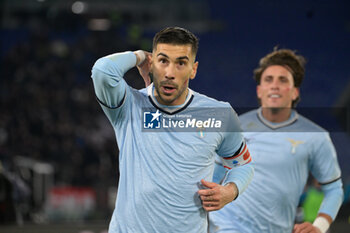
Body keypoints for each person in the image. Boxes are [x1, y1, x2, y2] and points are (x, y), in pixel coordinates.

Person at [91, 27, 254, 233]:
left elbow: (243, 165)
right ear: (151, 64)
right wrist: (139, 55)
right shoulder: (129, 105)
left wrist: (231, 191)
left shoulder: (219, 114)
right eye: (163, 61)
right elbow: (102, 71)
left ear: (193, 70)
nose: (169, 73)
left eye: (181, 63)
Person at [209, 48, 344, 233]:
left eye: (283, 80)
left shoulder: (315, 136)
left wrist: (319, 227)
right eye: (268, 79)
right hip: (225, 226)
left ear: (295, 92)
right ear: (259, 90)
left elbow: (334, 189)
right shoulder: (235, 127)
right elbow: (213, 177)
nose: (274, 85)